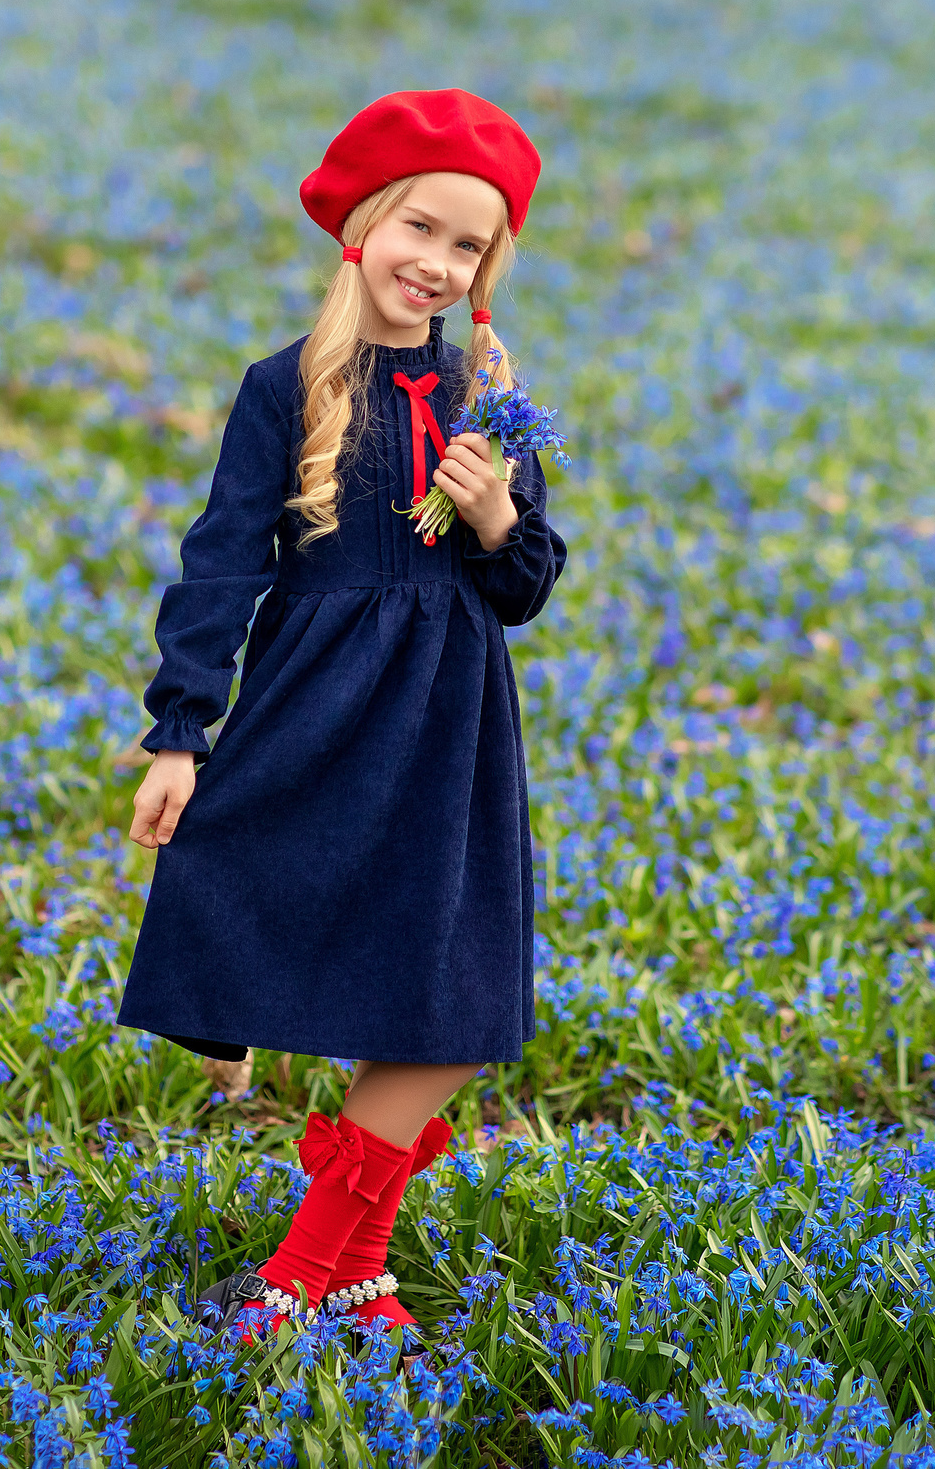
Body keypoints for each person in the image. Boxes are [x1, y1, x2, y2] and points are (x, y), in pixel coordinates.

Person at [116, 89, 567, 1348]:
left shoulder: (491, 396)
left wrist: (493, 518)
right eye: (421, 227)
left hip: (451, 726)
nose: (436, 261)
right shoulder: (283, 387)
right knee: (240, 890)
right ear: (365, 226)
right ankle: (339, 1273)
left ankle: (312, 1271)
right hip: (317, 709)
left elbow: (524, 588)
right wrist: (179, 731)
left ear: (488, 270)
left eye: (467, 247)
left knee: (456, 1006)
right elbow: (220, 567)